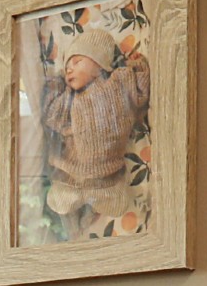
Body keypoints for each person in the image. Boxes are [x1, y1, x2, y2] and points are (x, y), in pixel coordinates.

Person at [39, 24, 151, 240]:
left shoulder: (118, 84)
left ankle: (87, 217)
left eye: (77, 62)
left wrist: (137, 65)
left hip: (107, 175)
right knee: (61, 203)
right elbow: (52, 114)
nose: (69, 69)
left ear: (100, 65)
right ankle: (74, 230)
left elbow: (141, 88)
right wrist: (57, 83)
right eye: (67, 66)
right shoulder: (70, 98)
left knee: (116, 202)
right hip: (71, 172)